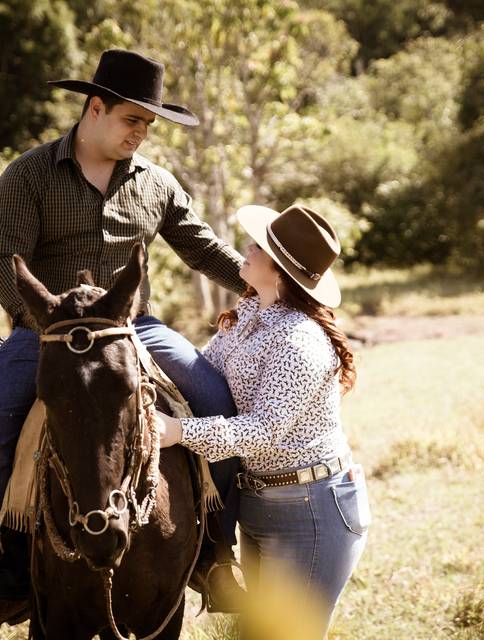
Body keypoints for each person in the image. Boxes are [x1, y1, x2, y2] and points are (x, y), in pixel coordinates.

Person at [0, 49, 245, 640]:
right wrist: (48, 316)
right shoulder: (28, 176)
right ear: (95, 106)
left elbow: (203, 248)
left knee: (215, 397)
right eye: (133, 119)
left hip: (133, 330)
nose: (141, 133)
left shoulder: (156, 184)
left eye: (149, 125)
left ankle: (214, 555)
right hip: (45, 334)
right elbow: (3, 266)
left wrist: (270, 286)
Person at [156, 204, 371, 639]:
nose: (245, 250)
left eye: (258, 246)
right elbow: (203, 379)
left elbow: (262, 429)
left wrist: (178, 432)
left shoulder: (300, 339)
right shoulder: (247, 321)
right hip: (259, 502)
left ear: (280, 271)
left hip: (309, 506)